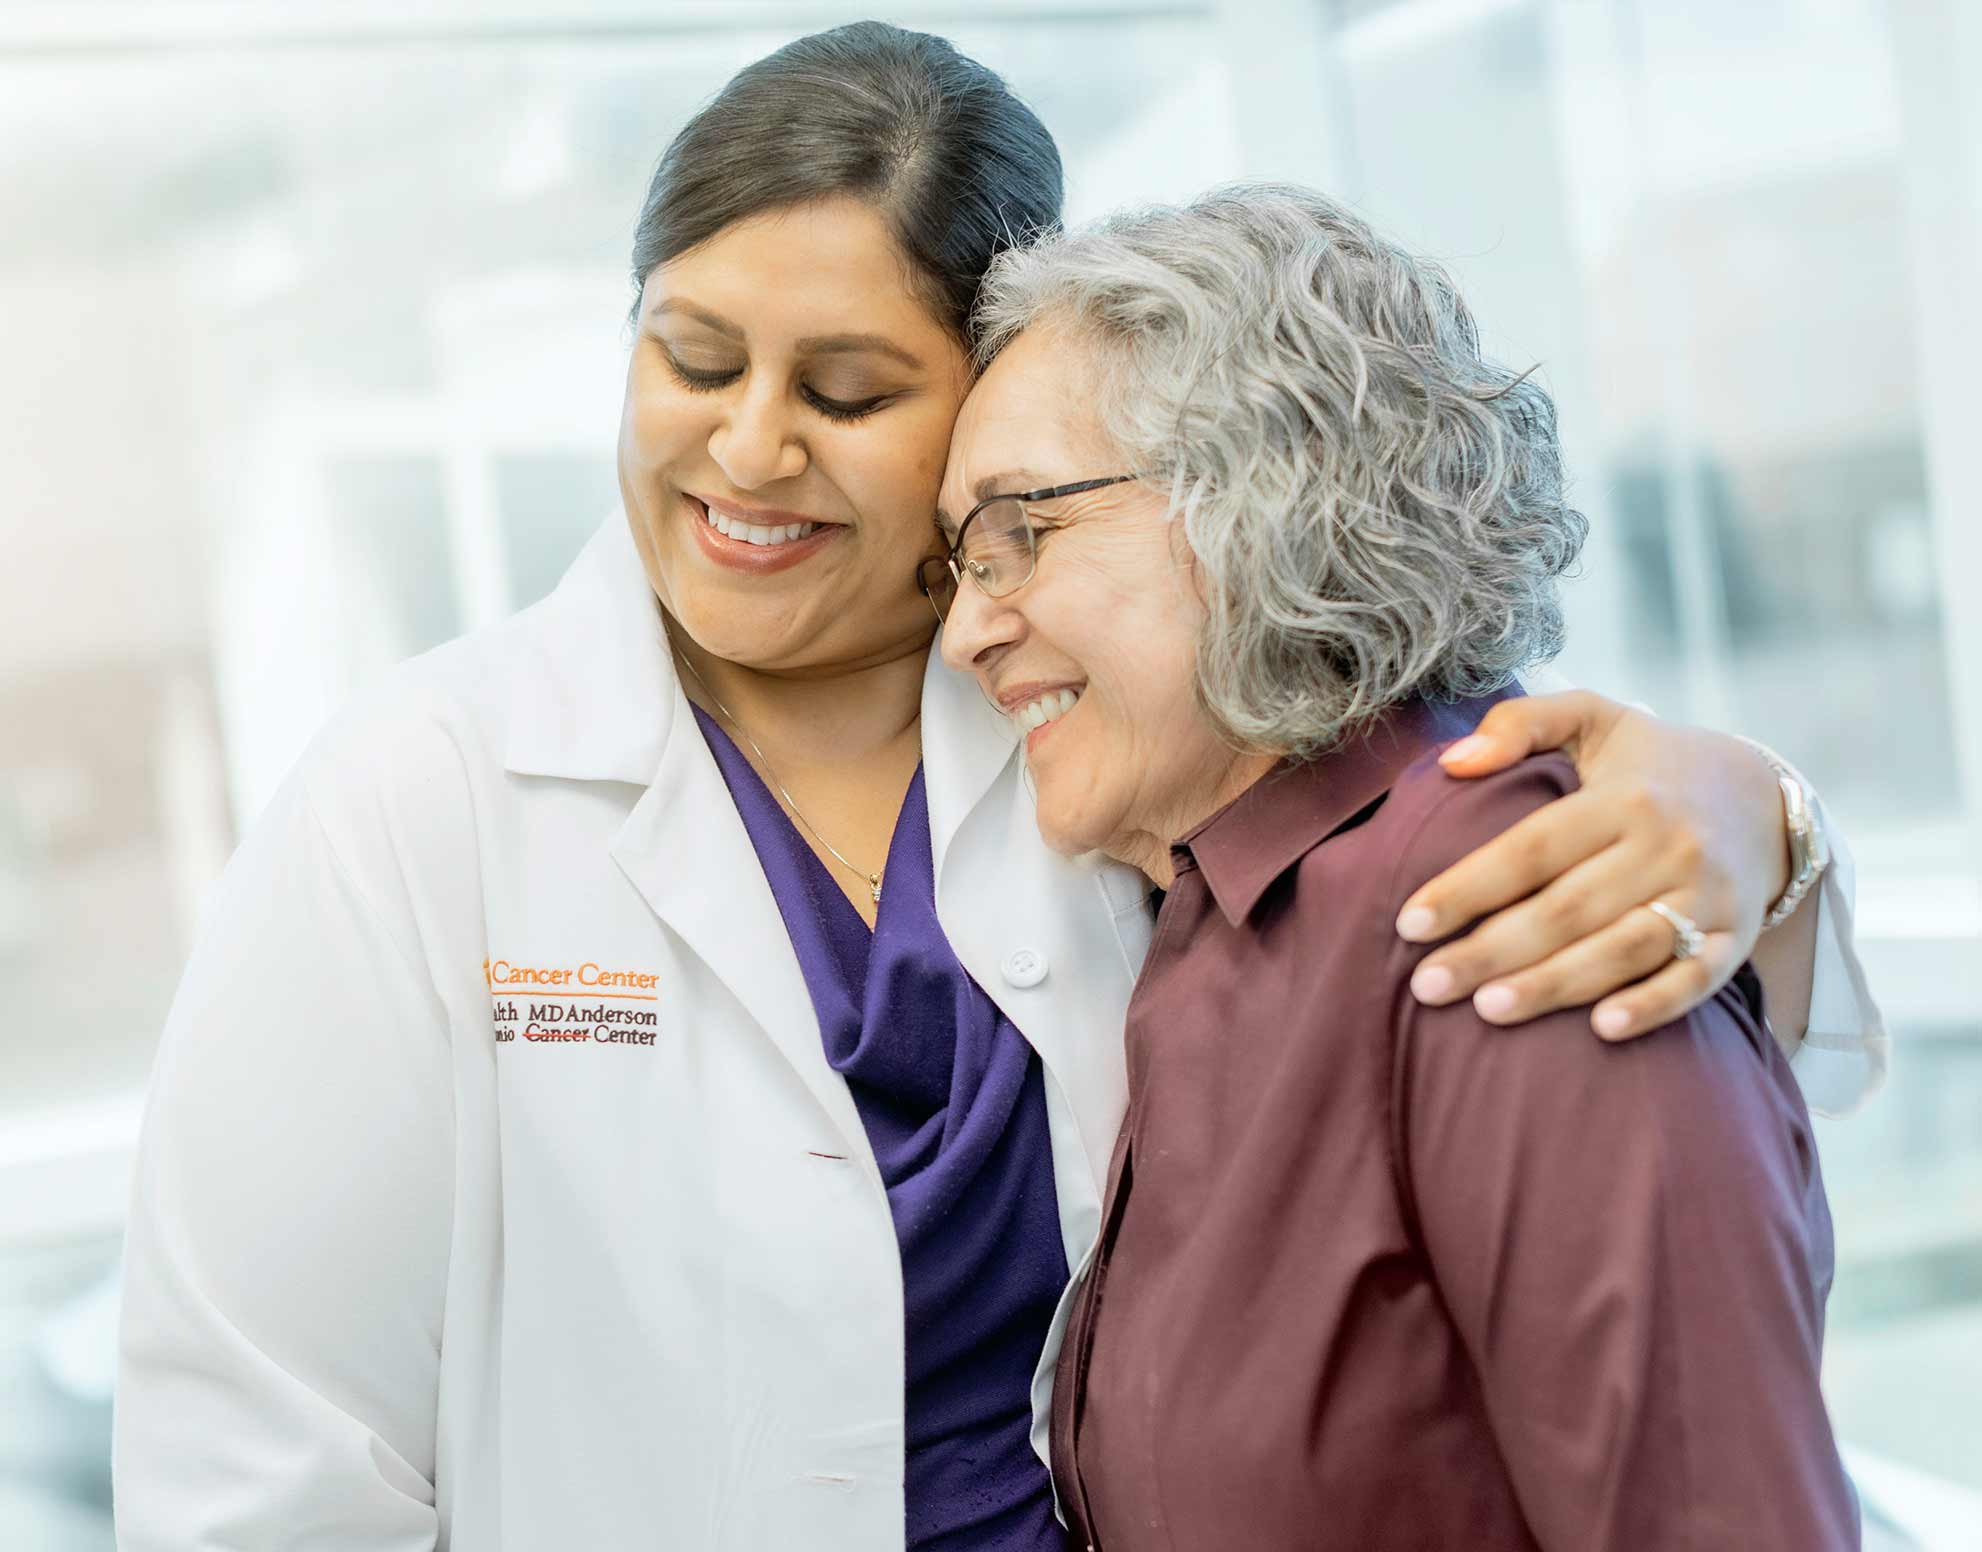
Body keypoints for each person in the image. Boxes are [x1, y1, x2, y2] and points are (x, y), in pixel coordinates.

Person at [113, 24, 1880, 1552]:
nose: (745, 448)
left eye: (853, 390)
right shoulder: (418, 801)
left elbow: (1524, 912)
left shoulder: (1142, 756)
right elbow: (257, 1464)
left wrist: (1763, 817)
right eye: (693, 357)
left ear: (988, 393)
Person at [934, 184, 1859, 1549]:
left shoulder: (1509, 903)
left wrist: (1771, 813)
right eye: (956, 563)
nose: (967, 631)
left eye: (1019, 532)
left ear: (1261, 491)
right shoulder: (1215, 928)